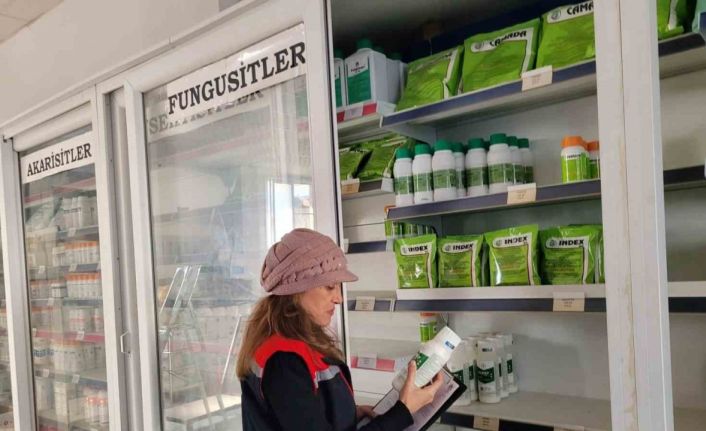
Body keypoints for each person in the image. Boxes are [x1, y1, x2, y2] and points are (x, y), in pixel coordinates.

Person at [238, 228, 443, 430]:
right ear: (296, 289)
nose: (339, 298)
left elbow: (296, 416)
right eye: (330, 287)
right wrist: (403, 411)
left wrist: (348, 413)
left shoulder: (294, 345)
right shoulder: (285, 361)